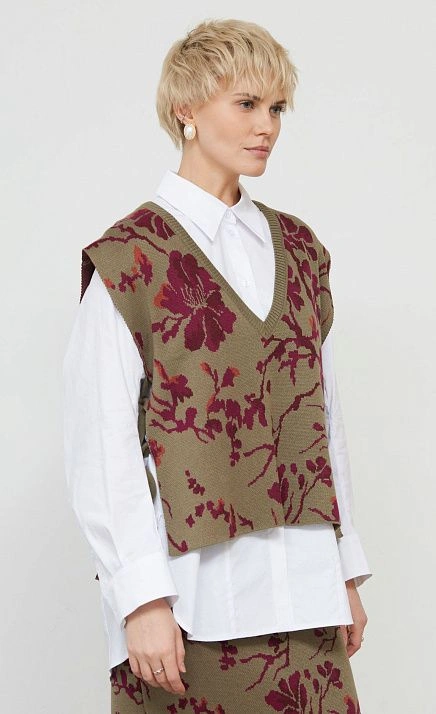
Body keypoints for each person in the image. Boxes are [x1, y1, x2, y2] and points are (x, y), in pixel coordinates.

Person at [62, 18, 372, 714]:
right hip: (190, 610)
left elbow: (324, 420)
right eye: (247, 103)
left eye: (277, 107)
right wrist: (140, 598)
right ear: (187, 109)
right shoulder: (130, 257)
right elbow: (101, 441)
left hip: (307, 599)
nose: (267, 126)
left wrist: (345, 571)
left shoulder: (300, 250)